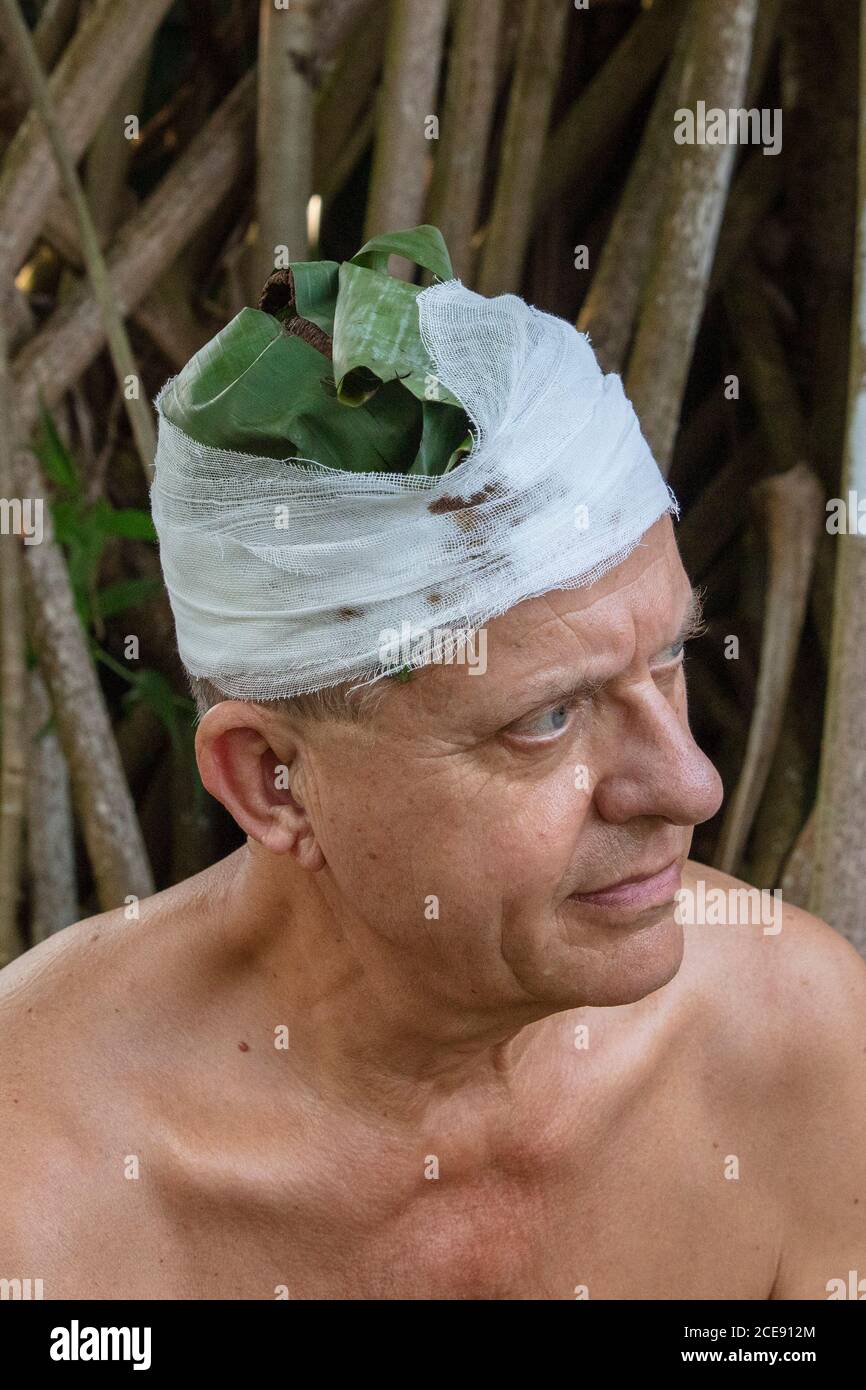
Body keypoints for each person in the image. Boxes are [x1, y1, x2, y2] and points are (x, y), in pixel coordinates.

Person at [1, 230, 863, 1301]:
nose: (690, 787)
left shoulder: (796, 1043)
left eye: (669, 658)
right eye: (545, 719)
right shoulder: (40, 1186)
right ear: (273, 780)